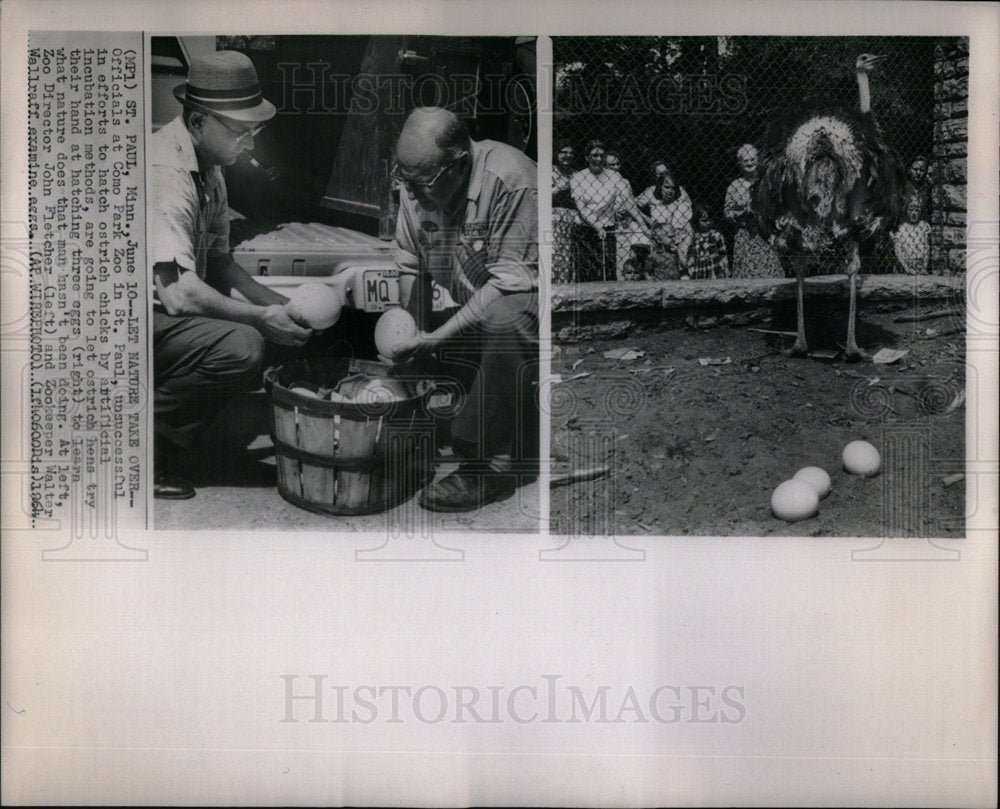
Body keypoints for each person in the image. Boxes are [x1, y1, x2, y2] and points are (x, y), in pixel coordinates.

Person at [150, 50, 314, 500]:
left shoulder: (210, 166)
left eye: (255, 131)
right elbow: (179, 296)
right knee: (242, 345)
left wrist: (274, 302)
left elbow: (219, 260)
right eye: (242, 132)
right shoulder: (167, 171)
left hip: (158, 316)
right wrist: (260, 320)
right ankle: (141, 448)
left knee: (252, 331)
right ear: (200, 122)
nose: (252, 144)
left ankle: (171, 430)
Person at [387, 107, 538, 512]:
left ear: (456, 166)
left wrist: (436, 337)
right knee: (417, 342)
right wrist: (414, 334)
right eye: (404, 180)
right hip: (477, 307)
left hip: (531, 312)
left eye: (420, 184)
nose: (411, 194)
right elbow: (409, 261)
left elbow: (507, 286)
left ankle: (491, 465)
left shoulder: (511, 180)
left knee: (508, 315)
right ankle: (457, 416)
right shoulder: (418, 180)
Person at [570, 140, 643, 282]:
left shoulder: (614, 176)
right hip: (585, 229)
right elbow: (582, 209)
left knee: (608, 272)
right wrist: (597, 227)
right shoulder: (578, 177)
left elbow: (629, 203)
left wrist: (643, 225)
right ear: (587, 157)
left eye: (601, 155)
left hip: (607, 229)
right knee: (588, 273)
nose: (598, 159)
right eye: (594, 155)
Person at [724, 144, 784, 278]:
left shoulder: (766, 182)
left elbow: (777, 207)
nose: (750, 163)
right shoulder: (734, 186)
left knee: (770, 273)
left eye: (752, 159)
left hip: (765, 233)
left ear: (758, 160)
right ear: (740, 163)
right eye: (746, 161)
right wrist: (743, 212)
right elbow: (727, 213)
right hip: (745, 236)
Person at [636, 170, 693, 280]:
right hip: (659, 248)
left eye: (673, 188)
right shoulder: (656, 206)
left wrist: (684, 250)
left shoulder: (682, 205)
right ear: (660, 187)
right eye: (667, 187)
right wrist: (643, 221)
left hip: (679, 246)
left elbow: (688, 228)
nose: (670, 191)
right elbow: (633, 206)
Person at [551, 141, 579, 284]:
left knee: (569, 252)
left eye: (571, 153)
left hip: (572, 215)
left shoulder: (575, 174)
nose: (567, 155)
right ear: (557, 154)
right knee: (555, 250)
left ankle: (567, 280)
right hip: (553, 214)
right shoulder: (550, 171)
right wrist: (562, 188)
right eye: (564, 152)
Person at [889, 197, 931, 274]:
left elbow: (926, 247)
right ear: (906, 211)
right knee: (897, 244)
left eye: (917, 210)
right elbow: (898, 248)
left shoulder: (923, 225)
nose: (914, 213)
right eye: (910, 210)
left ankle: (923, 268)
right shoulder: (901, 227)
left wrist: (924, 266)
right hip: (905, 261)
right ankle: (908, 269)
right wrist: (906, 267)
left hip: (920, 261)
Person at [688, 204, 729, 279]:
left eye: (710, 219)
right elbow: (692, 255)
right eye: (704, 220)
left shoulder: (716, 235)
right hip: (699, 271)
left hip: (714, 270)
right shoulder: (695, 236)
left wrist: (726, 270)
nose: (708, 223)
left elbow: (723, 254)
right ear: (697, 220)